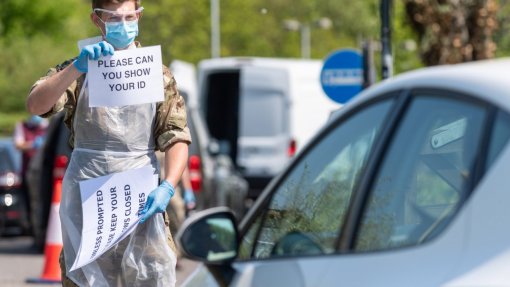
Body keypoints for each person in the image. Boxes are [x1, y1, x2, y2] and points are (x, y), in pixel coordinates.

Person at [26, 0, 190, 286]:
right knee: (85, 279)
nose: (124, 24)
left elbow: (176, 136)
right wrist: (76, 67)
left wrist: (168, 185)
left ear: (139, 15)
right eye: (114, 18)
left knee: (150, 274)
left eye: (130, 16)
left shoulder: (156, 74)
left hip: (140, 201)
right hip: (91, 204)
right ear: (96, 19)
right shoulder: (79, 72)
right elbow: (37, 105)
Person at [13, 114, 48, 232]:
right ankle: (35, 231)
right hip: (29, 172)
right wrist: (32, 144)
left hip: (45, 172)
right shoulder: (22, 126)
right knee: (33, 204)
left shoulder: (47, 126)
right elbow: (18, 145)